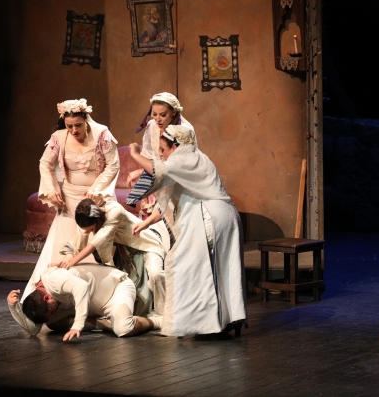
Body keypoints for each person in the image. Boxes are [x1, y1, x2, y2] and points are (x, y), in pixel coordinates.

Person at [127, 125, 247, 337]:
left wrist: (136, 155)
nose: (162, 155)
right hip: (225, 216)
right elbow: (166, 199)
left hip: (209, 217)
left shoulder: (183, 157)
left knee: (187, 266)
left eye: (163, 150)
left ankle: (204, 324)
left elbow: (159, 170)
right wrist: (147, 223)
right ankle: (228, 319)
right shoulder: (194, 159)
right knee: (222, 270)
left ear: (175, 146)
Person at [16, 99, 120, 313]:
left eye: (78, 125)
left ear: (86, 119)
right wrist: (52, 188)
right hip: (70, 200)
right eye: (69, 125)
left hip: (95, 200)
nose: (73, 130)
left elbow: (113, 164)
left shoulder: (101, 134)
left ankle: (97, 303)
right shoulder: (59, 137)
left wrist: (97, 188)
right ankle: (60, 304)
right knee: (64, 250)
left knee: (94, 247)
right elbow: (45, 163)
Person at [49, 198, 166, 317]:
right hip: (127, 252)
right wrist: (63, 262)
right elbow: (77, 243)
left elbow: (96, 243)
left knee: (155, 274)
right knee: (134, 293)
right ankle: (148, 317)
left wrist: (72, 262)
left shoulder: (114, 211)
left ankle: (163, 314)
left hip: (146, 244)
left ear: (97, 220)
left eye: (91, 230)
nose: (90, 232)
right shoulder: (88, 217)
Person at [8, 263, 160, 340]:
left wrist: (77, 325)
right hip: (94, 305)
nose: (54, 312)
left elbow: (82, 287)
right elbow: (34, 330)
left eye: (52, 310)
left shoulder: (53, 280)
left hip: (115, 290)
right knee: (52, 323)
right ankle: (105, 324)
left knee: (123, 329)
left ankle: (158, 321)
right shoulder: (38, 295)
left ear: (47, 297)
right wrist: (14, 307)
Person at [126, 92, 194, 223]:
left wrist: (137, 158)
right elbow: (149, 154)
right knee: (150, 222)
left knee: (173, 221)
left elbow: (177, 169)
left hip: (177, 180)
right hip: (157, 177)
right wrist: (144, 175)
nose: (158, 119)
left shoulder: (184, 131)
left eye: (163, 115)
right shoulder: (152, 126)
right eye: (154, 114)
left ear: (174, 112)